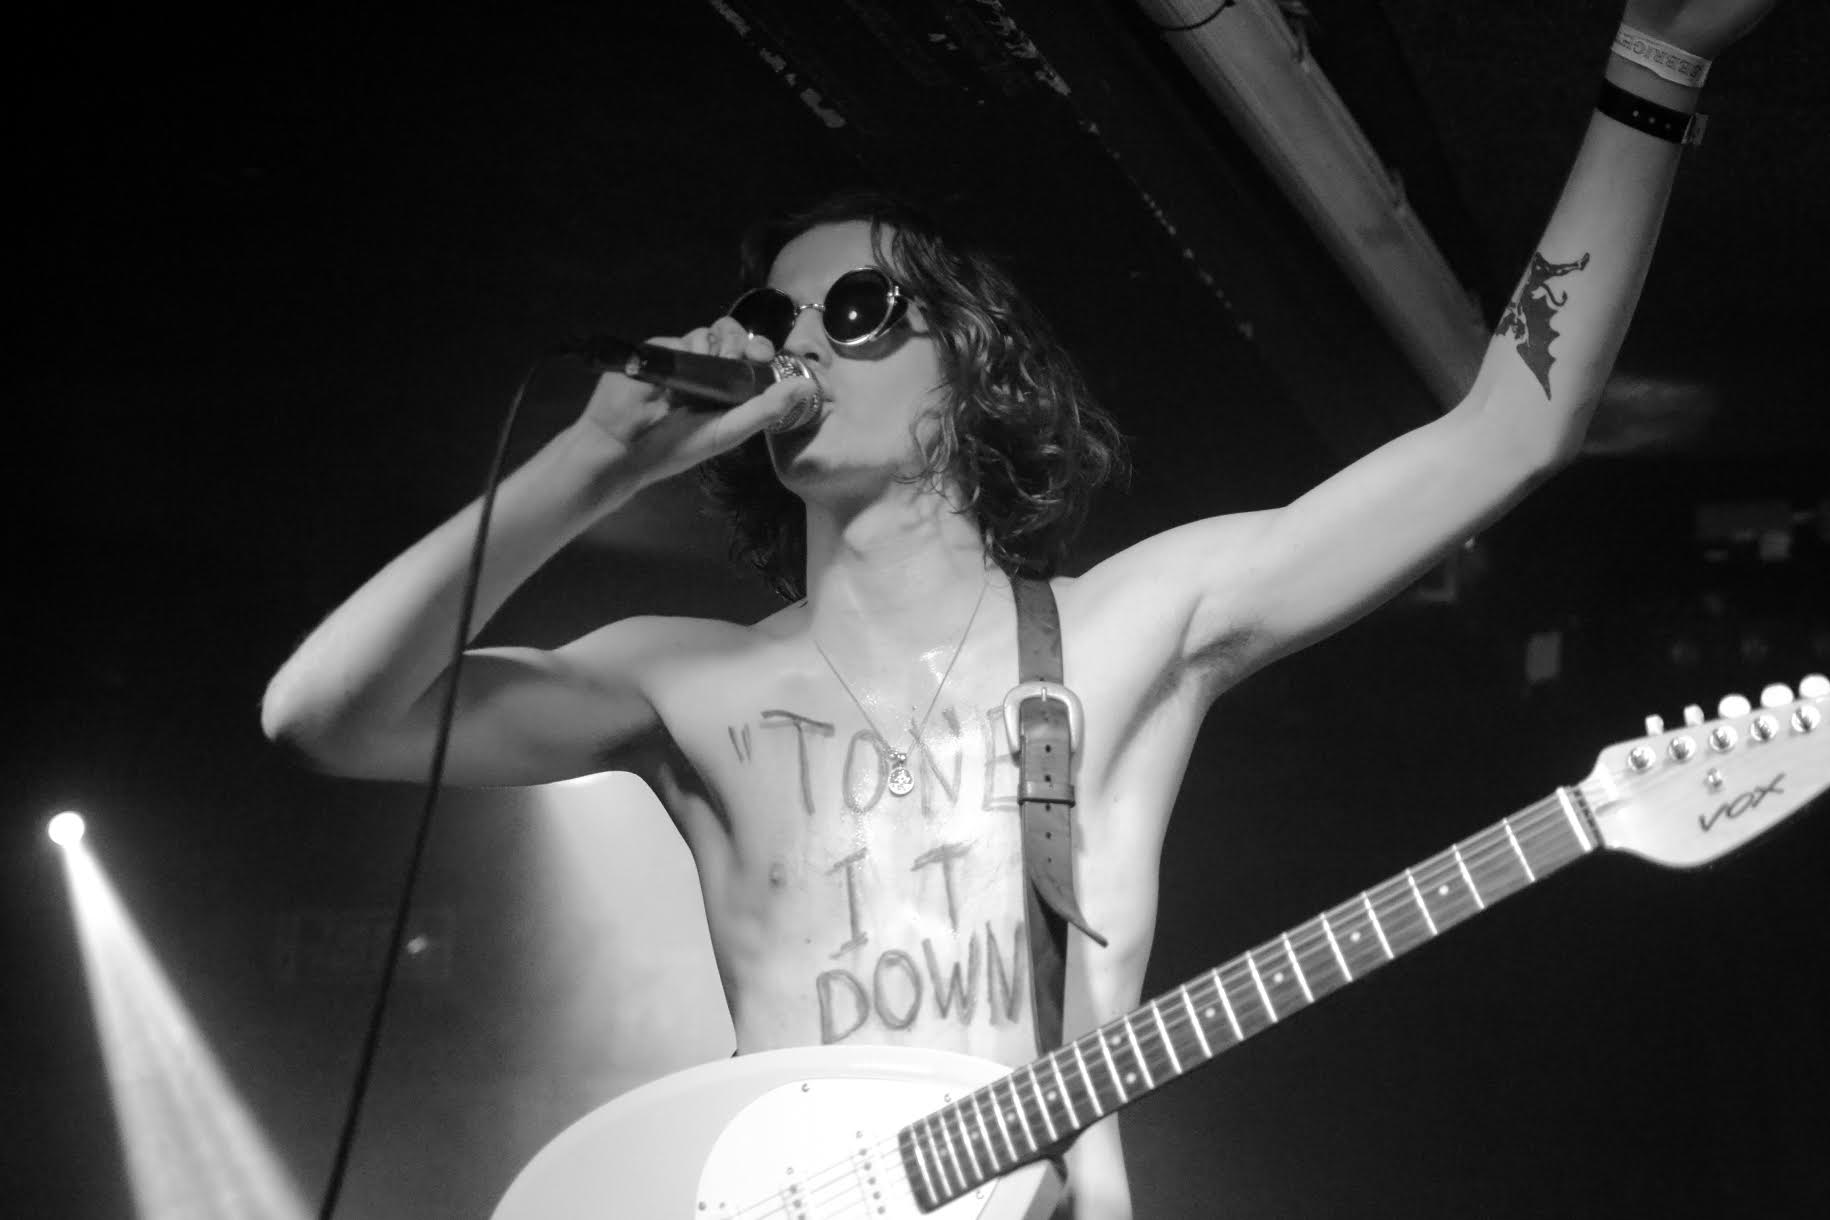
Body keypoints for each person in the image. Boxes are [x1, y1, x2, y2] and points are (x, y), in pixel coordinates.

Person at [260, 4, 1779, 1215]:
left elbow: (1508, 431)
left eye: (859, 309)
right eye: (778, 318)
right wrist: (589, 468)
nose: (801, 346)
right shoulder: (686, 683)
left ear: (971, 362)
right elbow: (324, 719)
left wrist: (1653, 64)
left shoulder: (1127, 629)